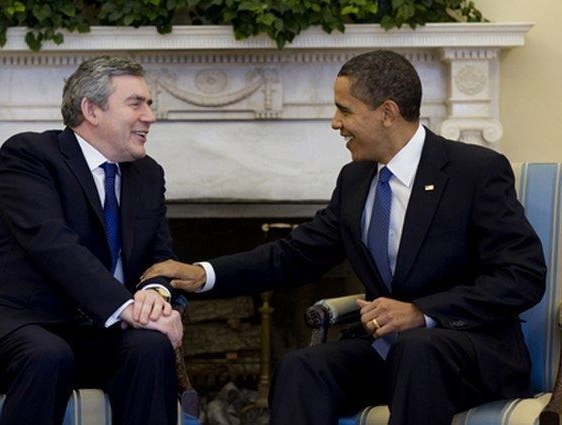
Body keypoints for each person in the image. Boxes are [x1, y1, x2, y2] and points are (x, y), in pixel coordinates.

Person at [142, 50, 547, 425]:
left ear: (387, 112)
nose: (335, 123)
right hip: (392, 354)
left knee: (418, 350)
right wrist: (202, 273)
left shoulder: (473, 171)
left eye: (344, 110)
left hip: (469, 353)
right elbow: (294, 255)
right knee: (301, 368)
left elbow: (522, 276)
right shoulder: (355, 179)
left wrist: (421, 311)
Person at [0, 56, 183, 425]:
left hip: (92, 336)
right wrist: (127, 307)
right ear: (91, 109)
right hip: (13, 324)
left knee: (150, 346)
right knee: (48, 354)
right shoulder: (30, 154)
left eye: (149, 104)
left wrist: (155, 295)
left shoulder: (147, 174)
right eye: (136, 103)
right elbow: (52, 243)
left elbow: (160, 255)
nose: (149, 116)